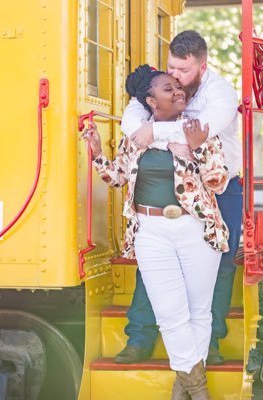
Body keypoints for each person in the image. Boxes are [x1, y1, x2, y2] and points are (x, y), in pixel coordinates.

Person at [83, 64, 230, 399]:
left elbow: (218, 183)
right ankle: (197, 386)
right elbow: (118, 178)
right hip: (150, 231)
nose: (178, 91)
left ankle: (186, 386)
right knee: (169, 313)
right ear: (150, 101)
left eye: (179, 87)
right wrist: (97, 155)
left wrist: (197, 149)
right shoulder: (136, 137)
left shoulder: (200, 131)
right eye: (169, 88)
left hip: (196, 229)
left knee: (198, 312)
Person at [116, 30, 243, 366]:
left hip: (221, 187)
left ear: (202, 67)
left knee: (223, 264)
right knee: (154, 262)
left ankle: (210, 344)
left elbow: (201, 132)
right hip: (171, 187)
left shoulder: (222, 93)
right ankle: (140, 338)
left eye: (183, 70)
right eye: (171, 66)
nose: (175, 75)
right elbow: (131, 122)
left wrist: (154, 131)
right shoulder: (164, 84)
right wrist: (152, 133)